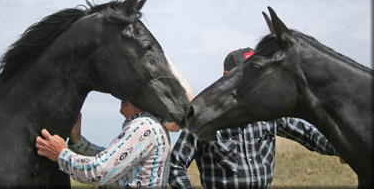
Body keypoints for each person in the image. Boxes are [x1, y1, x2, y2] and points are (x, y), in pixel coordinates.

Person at [169, 48, 341, 189]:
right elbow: (175, 166)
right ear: (226, 76)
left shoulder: (267, 112)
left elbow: (308, 136)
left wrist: (341, 149)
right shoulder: (205, 119)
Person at [36, 100, 171, 188]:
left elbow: (100, 172)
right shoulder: (148, 125)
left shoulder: (143, 126)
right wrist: (77, 142)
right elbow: (114, 161)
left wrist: (61, 155)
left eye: (130, 93)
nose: (122, 97)